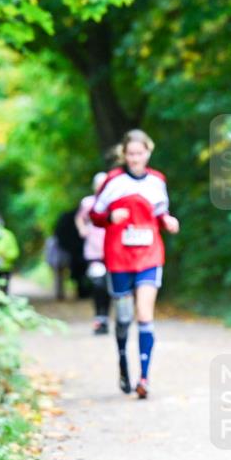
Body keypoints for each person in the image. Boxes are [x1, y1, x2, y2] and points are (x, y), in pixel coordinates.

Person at [90, 129, 180, 399]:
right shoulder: (113, 181)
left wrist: (167, 221)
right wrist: (109, 217)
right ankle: (122, 362)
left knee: (144, 314)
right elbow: (94, 214)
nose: (135, 158)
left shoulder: (157, 181)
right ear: (124, 155)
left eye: (139, 153)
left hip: (149, 255)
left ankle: (144, 377)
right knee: (124, 318)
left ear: (148, 153)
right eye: (130, 154)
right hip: (118, 256)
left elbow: (160, 211)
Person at [75, 171, 111, 334]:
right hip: (94, 251)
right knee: (98, 284)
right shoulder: (88, 203)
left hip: (112, 251)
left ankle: (105, 318)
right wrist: (82, 229)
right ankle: (99, 318)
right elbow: (79, 218)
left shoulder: (113, 203)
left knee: (109, 286)